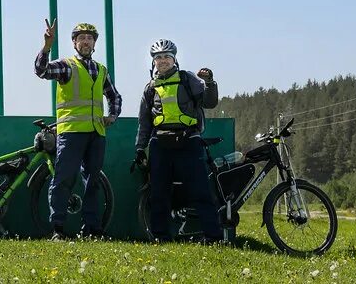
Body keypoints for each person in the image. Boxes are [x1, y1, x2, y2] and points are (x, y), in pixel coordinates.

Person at [35, 19, 122, 239]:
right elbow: (41, 70)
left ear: (94, 44)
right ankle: (57, 229)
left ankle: (92, 229)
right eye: (81, 38)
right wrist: (46, 47)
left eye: (90, 38)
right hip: (71, 132)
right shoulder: (66, 65)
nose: (86, 41)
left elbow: (114, 95)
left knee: (93, 182)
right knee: (63, 180)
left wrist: (112, 115)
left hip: (96, 133)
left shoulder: (101, 69)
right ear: (74, 43)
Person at [133, 38, 223, 243]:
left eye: (166, 57)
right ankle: (160, 237)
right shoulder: (150, 88)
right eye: (158, 58)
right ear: (153, 62)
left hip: (189, 140)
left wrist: (209, 82)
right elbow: (144, 122)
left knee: (200, 190)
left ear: (174, 59)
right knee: (159, 193)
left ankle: (213, 237)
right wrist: (140, 148)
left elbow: (209, 102)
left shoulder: (187, 79)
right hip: (160, 143)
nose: (162, 61)